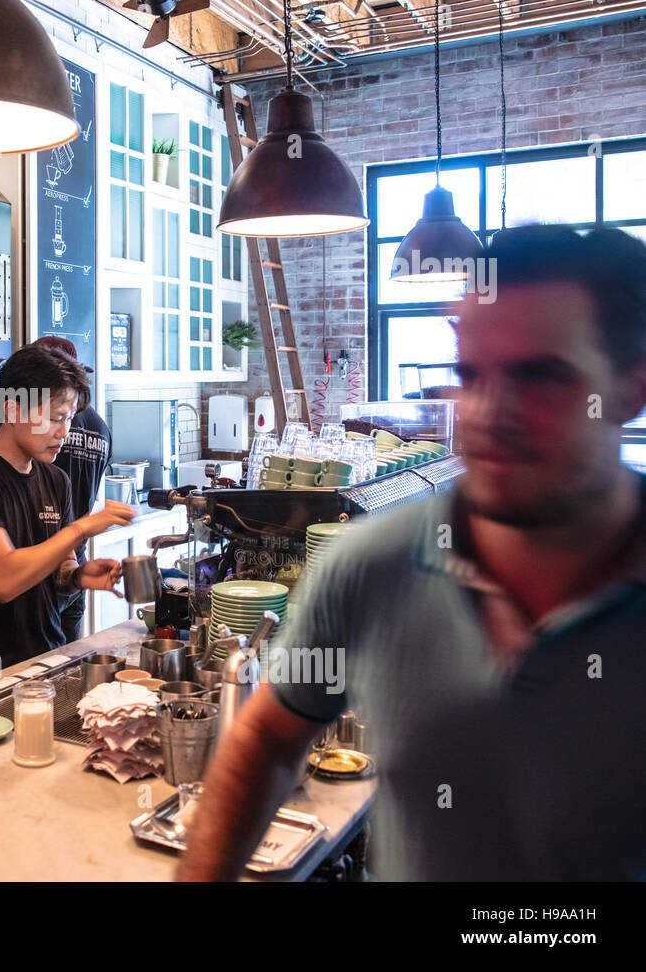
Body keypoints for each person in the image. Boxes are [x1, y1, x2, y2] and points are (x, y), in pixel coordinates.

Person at [177, 225, 646, 881]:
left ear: (631, 388)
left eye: (539, 377)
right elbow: (266, 737)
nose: (487, 410)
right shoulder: (370, 564)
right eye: (470, 373)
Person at [0, 344, 135, 683]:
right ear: (12, 410)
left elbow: (61, 568)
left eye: (69, 418)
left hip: (49, 663)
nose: (64, 432)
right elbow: (2, 579)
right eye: (55, 418)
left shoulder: (56, 480)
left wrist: (80, 575)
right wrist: (81, 528)